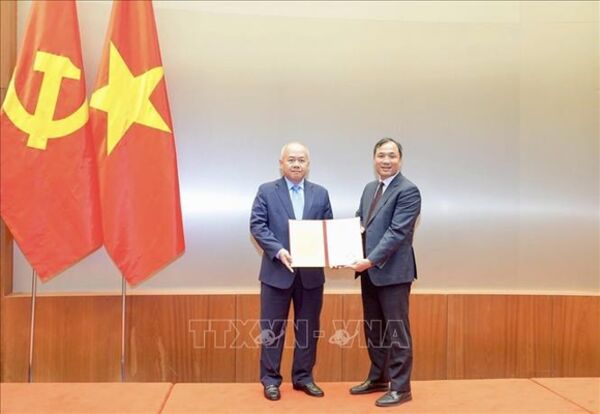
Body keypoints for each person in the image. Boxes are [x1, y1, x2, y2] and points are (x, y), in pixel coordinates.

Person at [250, 142, 333, 401]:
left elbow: (327, 230)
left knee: (308, 329)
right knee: (272, 330)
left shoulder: (321, 193)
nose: (296, 164)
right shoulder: (266, 191)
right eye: (291, 160)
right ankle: (270, 380)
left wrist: (339, 250)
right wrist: (277, 250)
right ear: (281, 163)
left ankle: (303, 377)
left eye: (301, 160)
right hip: (276, 273)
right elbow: (257, 225)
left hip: (311, 276)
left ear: (308, 164)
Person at [347, 138, 421, 407]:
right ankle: (378, 378)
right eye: (381, 155)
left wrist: (370, 260)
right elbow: (359, 224)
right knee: (374, 329)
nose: (386, 160)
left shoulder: (408, 190)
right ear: (374, 159)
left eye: (392, 155)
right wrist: (343, 250)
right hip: (369, 272)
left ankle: (401, 388)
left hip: (393, 273)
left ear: (400, 160)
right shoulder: (370, 188)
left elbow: (397, 233)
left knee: (397, 331)